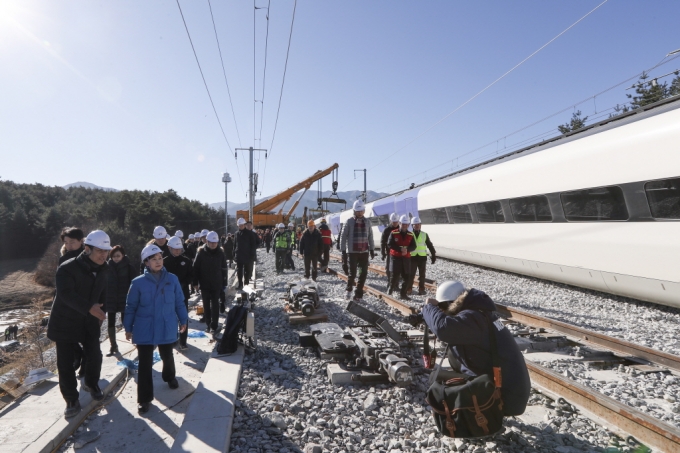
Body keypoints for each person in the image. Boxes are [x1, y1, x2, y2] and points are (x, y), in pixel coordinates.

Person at [421, 281, 531, 416]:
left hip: (507, 397)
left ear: (452, 303)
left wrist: (429, 308)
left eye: (442, 306)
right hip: (509, 387)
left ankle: (482, 413)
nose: (442, 311)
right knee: (453, 354)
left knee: (438, 379)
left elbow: (443, 329)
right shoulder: (478, 313)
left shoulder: (472, 318)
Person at [47, 230, 111, 418]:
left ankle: (91, 383)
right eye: (100, 251)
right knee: (65, 364)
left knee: (95, 355)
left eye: (106, 251)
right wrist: (89, 307)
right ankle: (71, 400)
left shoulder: (104, 268)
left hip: (89, 320)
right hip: (65, 321)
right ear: (87, 248)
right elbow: (66, 295)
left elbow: (103, 293)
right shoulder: (67, 268)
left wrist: (101, 312)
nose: (104, 255)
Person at [124, 245, 188, 415]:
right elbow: (130, 307)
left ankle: (169, 377)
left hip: (167, 324)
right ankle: (144, 399)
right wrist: (128, 327)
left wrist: (183, 320)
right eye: (154, 259)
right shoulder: (137, 283)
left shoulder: (172, 279)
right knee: (145, 364)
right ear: (146, 262)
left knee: (167, 354)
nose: (158, 262)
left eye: (160, 258)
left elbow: (179, 302)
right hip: (145, 328)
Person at [340, 200, 375, 301]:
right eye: (358, 211)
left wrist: (372, 249)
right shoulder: (349, 221)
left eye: (361, 211)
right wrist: (343, 251)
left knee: (363, 273)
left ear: (364, 211)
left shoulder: (367, 222)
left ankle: (358, 294)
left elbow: (370, 236)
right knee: (353, 273)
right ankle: (349, 289)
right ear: (354, 211)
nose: (360, 213)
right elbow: (343, 237)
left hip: (364, 252)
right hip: (352, 252)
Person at [105, 245, 137, 356]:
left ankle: (135, 340)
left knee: (126, 320)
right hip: (111, 298)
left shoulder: (129, 267)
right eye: (113, 256)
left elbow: (135, 284)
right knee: (110, 323)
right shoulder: (106, 267)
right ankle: (113, 346)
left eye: (118, 256)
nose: (116, 258)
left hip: (125, 298)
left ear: (123, 255)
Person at [193, 231, 227, 333]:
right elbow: (196, 268)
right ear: (207, 241)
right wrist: (195, 282)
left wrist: (224, 283)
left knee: (215, 304)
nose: (213, 244)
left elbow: (224, 268)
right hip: (205, 283)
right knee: (206, 305)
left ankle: (214, 325)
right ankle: (208, 323)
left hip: (217, 283)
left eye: (215, 242)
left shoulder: (220, 253)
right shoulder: (201, 253)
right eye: (211, 242)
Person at [164, 236, 193, 350]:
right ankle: (172, 339)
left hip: (182, 294)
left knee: (183, 317)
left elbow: (191, 275)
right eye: (175, 248)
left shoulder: (186, 261)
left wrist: (184, 284)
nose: (177, 251)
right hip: (168, 295)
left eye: (179, 249)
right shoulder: (164, 261)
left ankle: (183, 341)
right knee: (170, 317)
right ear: (169, 248)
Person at [387, 215, 416, 300]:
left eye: (406, 224)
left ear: (408, 225)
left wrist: (407, 249)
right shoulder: (393, 233)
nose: (404, 226)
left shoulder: (411, 234)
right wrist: (400, 249)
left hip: (406, 258)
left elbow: (414, 246)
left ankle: (403, 294)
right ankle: (390, 289)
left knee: (407, 277)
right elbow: (389, 244)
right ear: (399, 223)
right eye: (403, 224)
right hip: (395, 258)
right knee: (394, 276)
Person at [409, 217, 437, 295]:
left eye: (418, 224)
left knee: (422, 275)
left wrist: (433, 254)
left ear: (420, 225)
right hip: (413, 257)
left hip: (422, 258)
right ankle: (409, 288)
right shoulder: (409, 234)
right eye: (415, 224)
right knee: (411, 274)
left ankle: (421, 289)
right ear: (412, 225)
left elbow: (430, 245)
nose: (417, 225)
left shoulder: (424, 235)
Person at [234, 219, 257, 289]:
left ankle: (246, 282)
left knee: (247, 270)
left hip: (247, 255)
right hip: (239, 255)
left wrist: (252, 254)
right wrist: (234, 254)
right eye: (239, 225)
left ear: (244, 225)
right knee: (239, 271)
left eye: (242, 225)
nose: (240, 226)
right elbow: (235, 244)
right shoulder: (237, 233)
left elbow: (253, 244)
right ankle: (240, 284)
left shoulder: (250, 233)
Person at [380, 213, 400, 286]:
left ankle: (396, 284)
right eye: (393, 222)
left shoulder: (401, 230)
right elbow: (382, 242)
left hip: (398, 253)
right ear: (391, 221)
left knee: (397, 269)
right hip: (390, 253)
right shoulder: (386, 230)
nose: (395, 223)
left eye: (396, 222)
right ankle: (390, 282)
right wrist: (383, 253)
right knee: (389, 268)